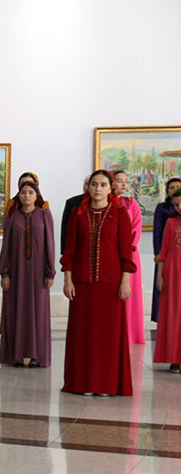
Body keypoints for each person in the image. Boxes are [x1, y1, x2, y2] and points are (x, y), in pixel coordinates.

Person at [61, 169, 135, 396]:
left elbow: (126, 251)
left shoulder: (120, 213)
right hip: (82, 284)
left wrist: (125, 282)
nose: (98, 189)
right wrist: (68, 280)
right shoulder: (77, 213)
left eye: (103, 185)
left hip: (111, 285)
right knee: (83, 335)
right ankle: (82, 383)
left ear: (111, 188)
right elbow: (69, 250)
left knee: (108, 336)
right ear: (88, 187)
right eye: (94, 184)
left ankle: (106, 384)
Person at [0, 179, 55, 367]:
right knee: (16, 311)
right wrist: (4, 273)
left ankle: (38, 357)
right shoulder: (12, 216)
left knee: (39, 313)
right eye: (23, 192)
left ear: (37, 195)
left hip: (39, 274)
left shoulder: (44, 215)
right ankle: (17, 356)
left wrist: (50, 272)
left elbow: (50, 245)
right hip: (16, 273)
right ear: (18, 195)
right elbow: (6, 246)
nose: (27, 196)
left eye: (31, 192)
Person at [113, 170, 145, 345]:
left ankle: (130, 334)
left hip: (129, 255)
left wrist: (125, 250)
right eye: (119, 181)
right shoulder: (105, 204)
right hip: (110, 255)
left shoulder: (131, 203)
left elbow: (136, 229)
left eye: (125, 181)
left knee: (128, 293)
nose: (124, 184)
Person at [154, 186, 181, 372]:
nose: (180, 208)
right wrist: (159, 275)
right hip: (173, 274)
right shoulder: (171, 223)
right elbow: (163, 252)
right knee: (173, 314)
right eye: (176, 205)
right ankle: (174, 358)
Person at [152, 177, 181, 323]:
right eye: (171, 187)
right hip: (169, 258)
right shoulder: (163, 210)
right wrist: (157, 253)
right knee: (166, 291)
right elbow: (158, 231)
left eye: (177, 187)